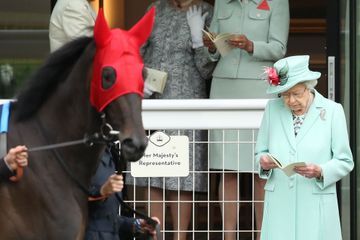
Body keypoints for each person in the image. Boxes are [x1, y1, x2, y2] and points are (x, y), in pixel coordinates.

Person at [126, 1, 214, 239]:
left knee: (181, 177)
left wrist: (198, 40)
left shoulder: (205, 12)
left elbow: (208, 70)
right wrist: (138, 79)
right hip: (154, 102)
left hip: (187, 103)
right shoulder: (155, 9)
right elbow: (136, 48)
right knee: (154, 172)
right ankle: (156, 235)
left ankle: (179, 237)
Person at [203, 0, 289, 239]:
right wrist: (211, 46)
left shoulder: (277, 3)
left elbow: (279, 48)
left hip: (258, 90)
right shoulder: (222, 1)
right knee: (227, 168)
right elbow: (213, 49)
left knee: (259, 168)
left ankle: (262, 234)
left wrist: (251, 45)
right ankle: (228, 236)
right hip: (223, 88)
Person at [255, 55, 354, 240]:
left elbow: (345, 160)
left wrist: (321, 170)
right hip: (280, 203)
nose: (291, 100)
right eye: (284, 94)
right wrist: (263, 162)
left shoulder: (333, 111)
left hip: (316, 203)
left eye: (296, 93)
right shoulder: (272, 109)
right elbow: (259, 152)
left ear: (309, 86)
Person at [85, 145, 159, 240]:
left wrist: (138, 224)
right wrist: (101, 192)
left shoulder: (109, 153)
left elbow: (107, 217)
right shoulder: (83, 154)